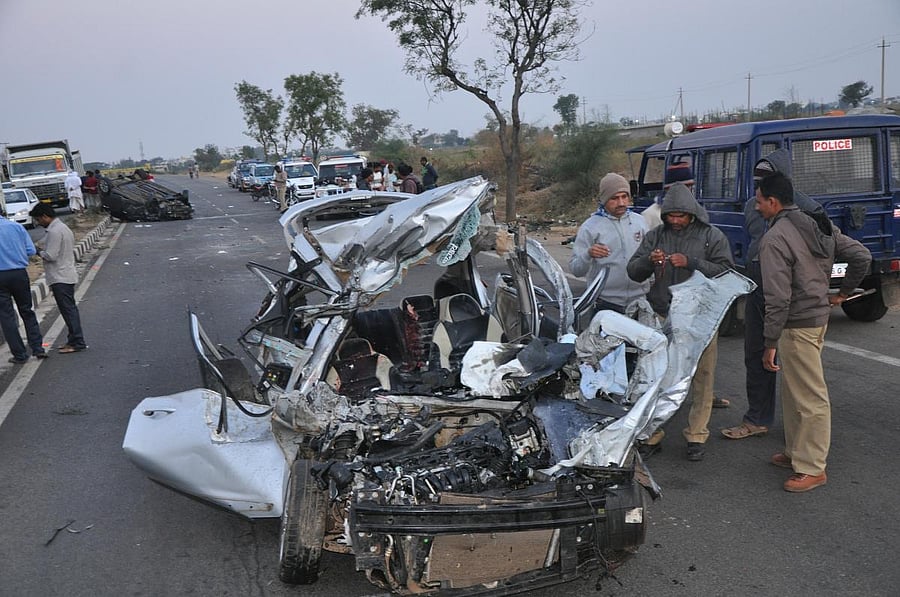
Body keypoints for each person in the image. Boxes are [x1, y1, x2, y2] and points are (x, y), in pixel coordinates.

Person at [721, 150, 871, 441]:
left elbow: (847, 252)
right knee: (758, 357)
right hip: (760, 289)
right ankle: (760, 419)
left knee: (799, 376)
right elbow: (753, 243)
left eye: (765, 182)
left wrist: (842, 292)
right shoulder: (754, 205)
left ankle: (807, 447)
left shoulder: (810, 213)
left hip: (790, 300)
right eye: (757, 181)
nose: (758, 190)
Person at [754, 172, 868, 492]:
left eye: (760, 200)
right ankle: (796, 453)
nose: (757, 205)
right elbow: (861, 255)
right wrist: (841, 295)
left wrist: (769, 342)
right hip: (817, 318)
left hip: (797, 323)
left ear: (773, 202)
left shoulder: (775, 239)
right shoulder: (818, 225)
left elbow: (778, 298)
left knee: (809, 396)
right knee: (794, 392)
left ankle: (812, 467)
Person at [627, 182, 733, 461]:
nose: (675, 221)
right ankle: (653, 434)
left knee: (702, 377)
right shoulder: (655, 236)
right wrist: (649, 261)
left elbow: (726, 272)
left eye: (681, 216)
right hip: (663, 314)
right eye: (671, 216)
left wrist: (691, 262)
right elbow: (633, 272)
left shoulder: (712, 236)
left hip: (701, 318)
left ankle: (696, 435)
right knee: (659, 377)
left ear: (692, 214)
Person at [569, 173, 650, 314]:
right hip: (606, 305)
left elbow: (650, 256)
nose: (621, 203)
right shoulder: (590, 227)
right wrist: (588, 254)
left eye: (624, 197)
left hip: (640, 303)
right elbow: (576, 270)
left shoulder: (640, 222)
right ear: (604, 199)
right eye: (614, 198)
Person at [30, 204, 87, 354]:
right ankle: (72, 340)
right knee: (69, 310)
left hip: (60, 276)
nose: (38, 223)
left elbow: (51, 255)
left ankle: (78, 342)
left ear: (44, 216)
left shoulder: (55, 231)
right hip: (65, 273)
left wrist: (38, 252)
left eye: (38, 219)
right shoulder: (61, 228)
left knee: (68, 311)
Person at [0, 209, 46, 363]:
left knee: (6, 316)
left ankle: (19, 355)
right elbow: (31, 250)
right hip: (19, 274)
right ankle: (38, 348)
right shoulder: (16, 227)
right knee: (27, 311)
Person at [643, 162, 695, 229]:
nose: (687, 191)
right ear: (668, 189)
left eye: (689, 186)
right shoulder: (651, 214)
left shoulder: (696, 212)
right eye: (682, 187)